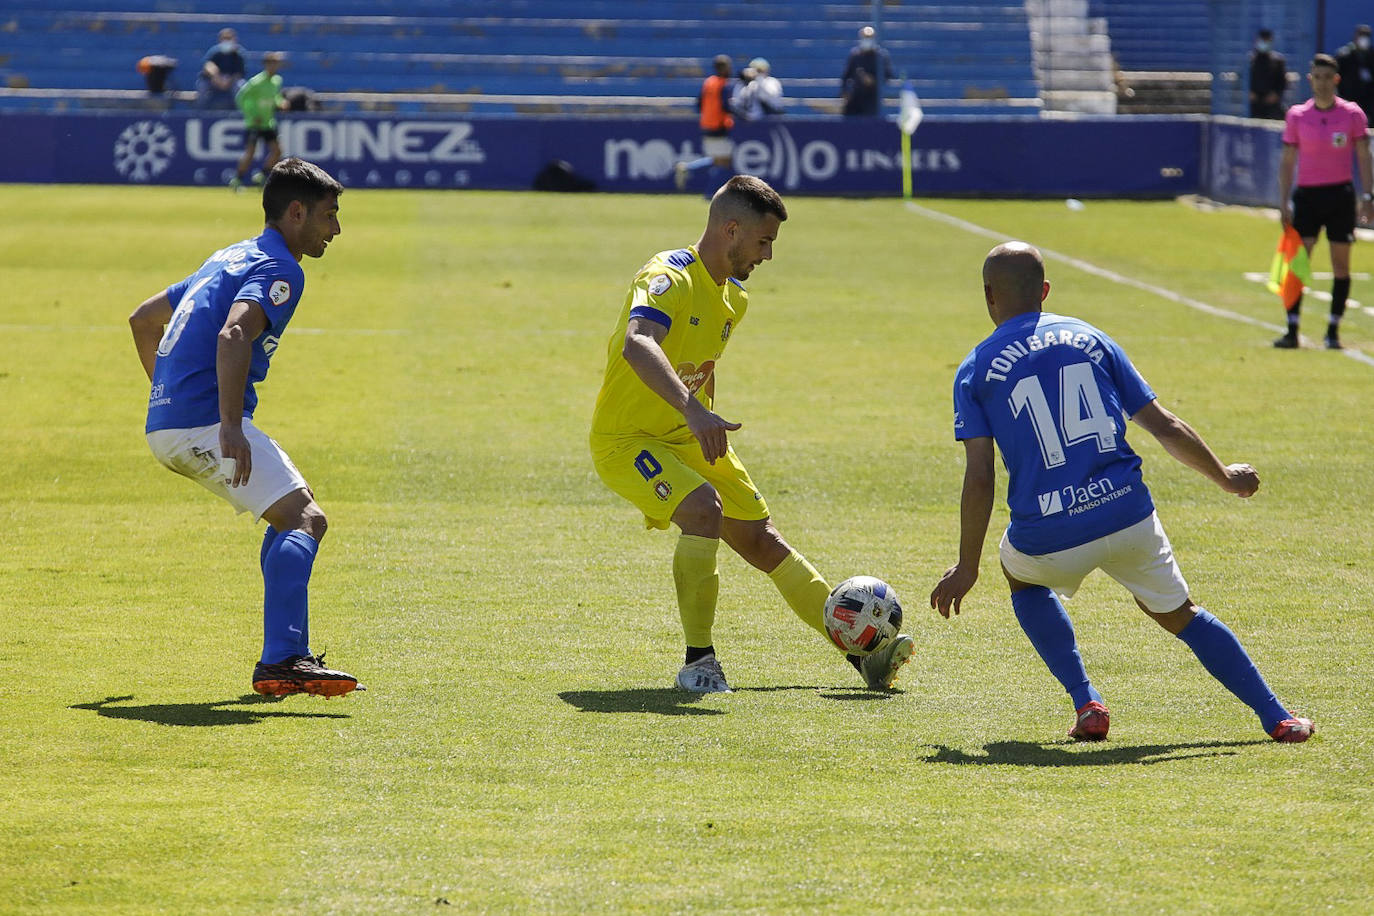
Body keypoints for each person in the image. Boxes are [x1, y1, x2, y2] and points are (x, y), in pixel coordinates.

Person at [929, 241, 1314, 744]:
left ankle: (1087, 701)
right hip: (1126, 514)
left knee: (1020, 577)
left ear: (988, 296)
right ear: (1045, 291)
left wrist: (967, 566)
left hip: (1048, 531)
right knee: (1182, 616)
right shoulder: (1092, 338)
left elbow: (980, 475)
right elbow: (1165, 426)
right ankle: (1278, 718)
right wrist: (1226, 476)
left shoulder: (975, 368)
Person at [590, 175, 914, 694]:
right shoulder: (667, 278)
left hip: (691, 436)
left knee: (763, 542)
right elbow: (638, 344)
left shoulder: (732, 299)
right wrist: (695, 411)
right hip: (627, 441)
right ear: (731, 229)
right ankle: (699, 663)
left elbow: (702, 364)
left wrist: (705, 417)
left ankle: (861, 656)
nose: (767, 255)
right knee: (704, 511)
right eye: (763, 242)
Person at [128, 158, 361, 699]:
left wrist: (166, 400)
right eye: (330, 215)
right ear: (296, 212)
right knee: (305, 517)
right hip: (206, 422)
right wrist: (227, 424)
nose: (337, 230)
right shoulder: (281, 267)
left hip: (171, 421)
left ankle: (283, 657)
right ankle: (283, 659)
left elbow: (143, 319)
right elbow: (234, 334)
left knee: (287, 516)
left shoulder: (228, 255)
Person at [1275, 54, 1374, 350]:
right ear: (1310, 80)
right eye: (1316, 78)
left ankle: (1333, 330)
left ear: (1336, 80)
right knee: (1298, 264)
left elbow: (1363, 157)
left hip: (1340, 196)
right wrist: (1283, 202)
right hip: (1307, 197)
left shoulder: (1352, 114)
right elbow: (1288, 160)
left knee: (1341, 265)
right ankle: (1292, 329)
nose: (1321, 84)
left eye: (1326, 78)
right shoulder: (1297, 115)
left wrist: (1367, 196)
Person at [675, 55, 735, 193]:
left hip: (706, 125)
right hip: (719, 126)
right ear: (725, 68)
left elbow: (699, 104)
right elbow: (726, 106)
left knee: (717, 160)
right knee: (725, 162)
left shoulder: (708, 82)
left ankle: (688, 168)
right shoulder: (724, 84)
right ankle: (709, 192)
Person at [231, 51, 288, 191]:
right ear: (266, 64)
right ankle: (237, 180)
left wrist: (281, 103)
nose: (274, 66)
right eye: (271, 63)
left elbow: (275, 97)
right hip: (255, 123)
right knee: (250, 152)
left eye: (276, 63)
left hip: (268, 123)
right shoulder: (256, 82)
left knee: (277, 151)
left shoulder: (276, 80)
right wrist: (251, 115)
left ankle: (262, 175)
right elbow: (241, 98)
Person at [841, 26, 895, 117]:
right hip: (856, 96)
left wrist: (873, 80)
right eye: (865, 37)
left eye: (869, 38)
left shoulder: (881, 56)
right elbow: (846, 75)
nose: (867, 40)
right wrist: (845, 91)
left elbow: (888, 75)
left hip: (873, 97)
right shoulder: (855, 55)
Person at [197, 28, 246, 108]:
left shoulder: (238, 54)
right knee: (202, 85)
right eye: (224, 38)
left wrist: (228, 82)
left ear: (234, 39)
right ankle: (200, 110)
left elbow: (239, 73)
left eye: (229, 38)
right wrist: (216, 77)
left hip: (231, 81)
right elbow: (208, 65)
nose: (227, 41)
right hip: (214, 80)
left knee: (240, 85)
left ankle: (240, 111)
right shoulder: (215, 52)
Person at [1336, 24, 1374, 126]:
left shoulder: (1371, 55)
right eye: (1361, 35)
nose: (1364, 39)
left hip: (1368, 101)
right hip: (1348, 97)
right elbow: (1336, 78)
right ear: (1355, 36)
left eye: (1366, 36)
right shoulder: (1344, 55)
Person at [1247, 29, 1287, 120]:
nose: (1264, 43)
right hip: (1253, 104)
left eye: (1267, 40)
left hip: (1271, 105)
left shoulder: (1277, 60)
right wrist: (1248, 92)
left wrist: (1276, 94)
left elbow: (1282, 81)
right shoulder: (1250, 60)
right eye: (1262, 40)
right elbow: (1242, 79)